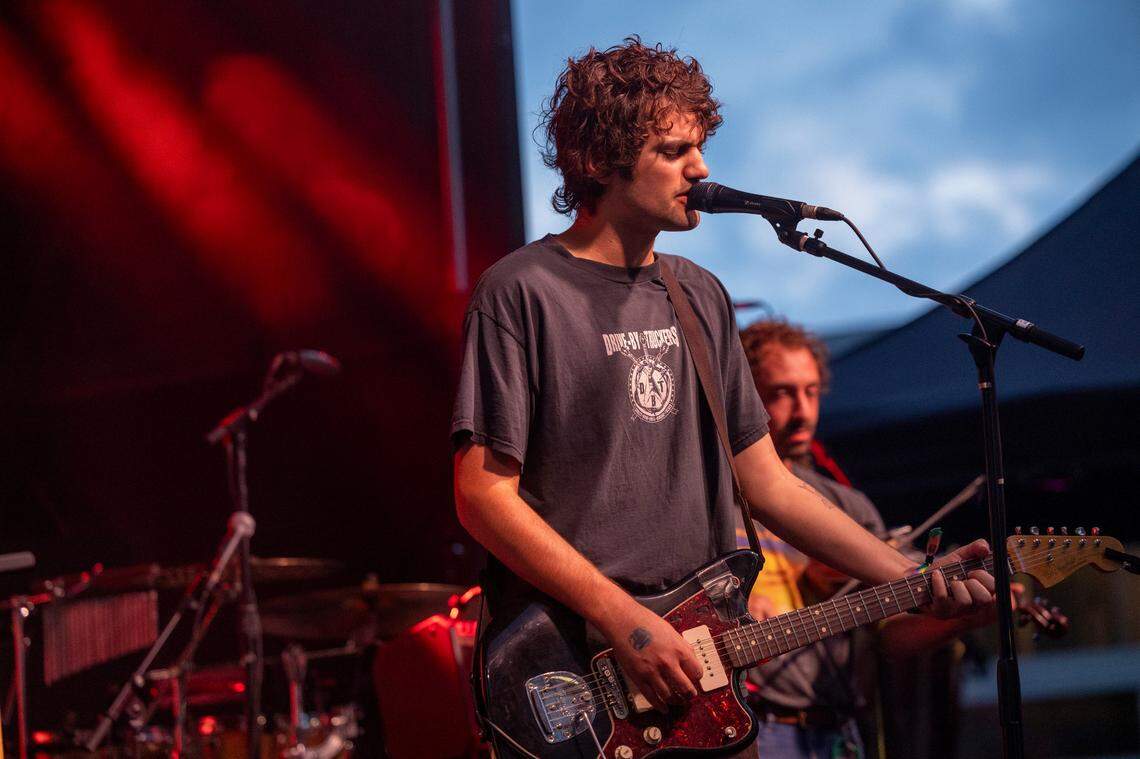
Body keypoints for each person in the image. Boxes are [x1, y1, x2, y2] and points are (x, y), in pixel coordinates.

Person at [450, 37, 994, 755]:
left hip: (700, 673)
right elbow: (483, 496)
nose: (701, 169)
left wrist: (911, 576)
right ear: (597, 158)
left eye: (699, 148)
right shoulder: (520, 292)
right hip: (581, 662)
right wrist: (624, 617)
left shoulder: (698, 295)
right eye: (675, 151)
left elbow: (767, 482)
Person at [739, 319, 1000, 758]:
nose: (802, 410)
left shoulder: (848, 507)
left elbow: (890, 637)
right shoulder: (714, 495)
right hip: (748, 727)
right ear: (742, 396)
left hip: (836, 731)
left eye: (811, 391)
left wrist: (961, 617)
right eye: (782, 392)